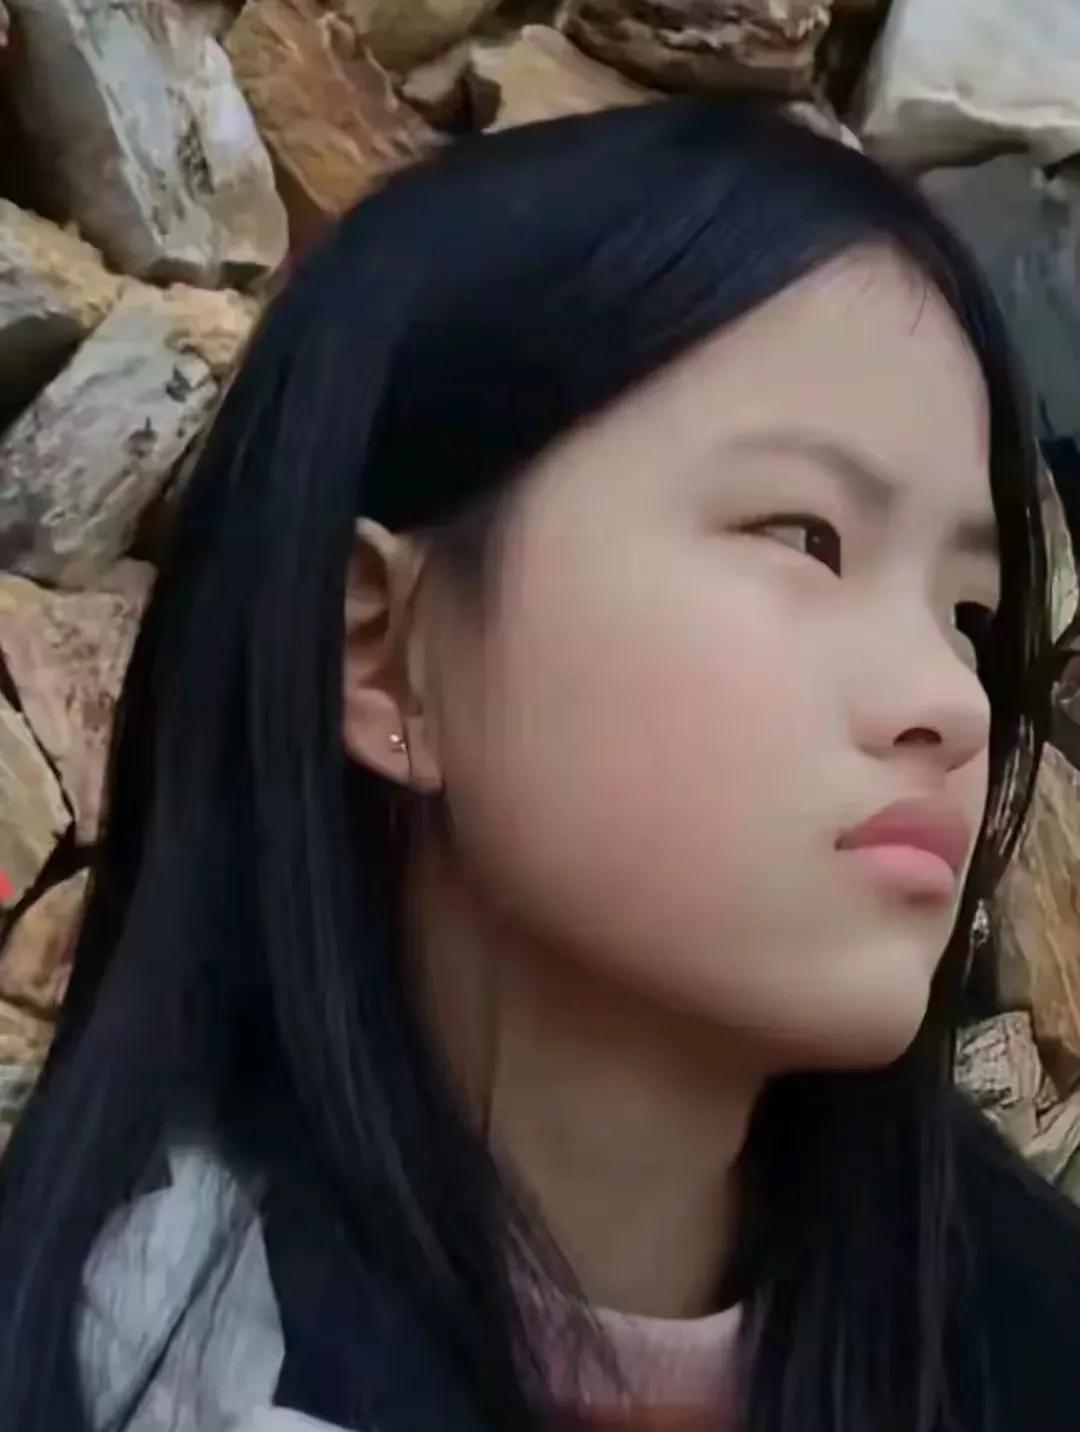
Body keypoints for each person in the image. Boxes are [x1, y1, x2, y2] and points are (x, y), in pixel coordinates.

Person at [1, 98, 1078, 1432]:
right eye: (806, 539)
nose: (950, 700)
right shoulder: (121, 1363)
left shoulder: (1030, 1342)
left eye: (969, 613)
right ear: (384, 652)